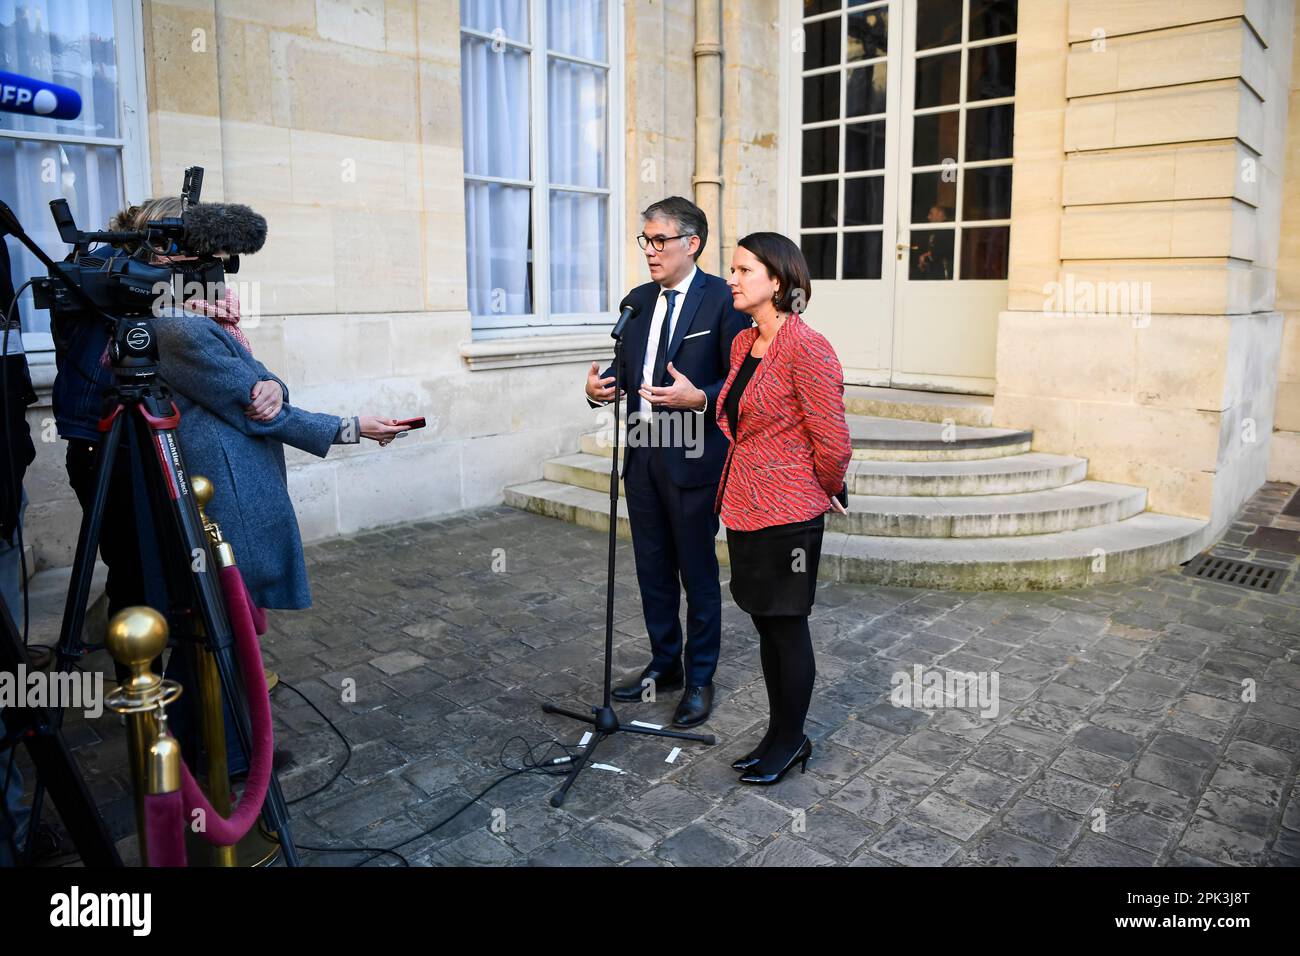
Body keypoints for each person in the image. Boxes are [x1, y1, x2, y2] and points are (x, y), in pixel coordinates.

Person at [584, 197, 749, 727]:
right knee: (652, 568)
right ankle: (665, 664)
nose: (651, 251)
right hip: (641, 454)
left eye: (660, 241)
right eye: (646, 241)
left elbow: (741, 379)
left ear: (692, 243)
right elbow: (620, 369)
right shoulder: (637, 301)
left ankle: (700, 678)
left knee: (696, 571)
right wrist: (596, 390)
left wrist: (698, 397)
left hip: (694, 456)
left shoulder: (723, 300)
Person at [715, 231, 851, 784]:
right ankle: (778, 733)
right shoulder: (743, 343)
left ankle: (792, 740)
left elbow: (833, 439)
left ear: (778, 280)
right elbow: (739, 420)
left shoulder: (807, 345)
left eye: (744, 270)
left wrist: (826, 486)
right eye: (733, 269)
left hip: (790, 512)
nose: (732, 279)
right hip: (746, 505)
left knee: (787, 627)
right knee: (766, 626)